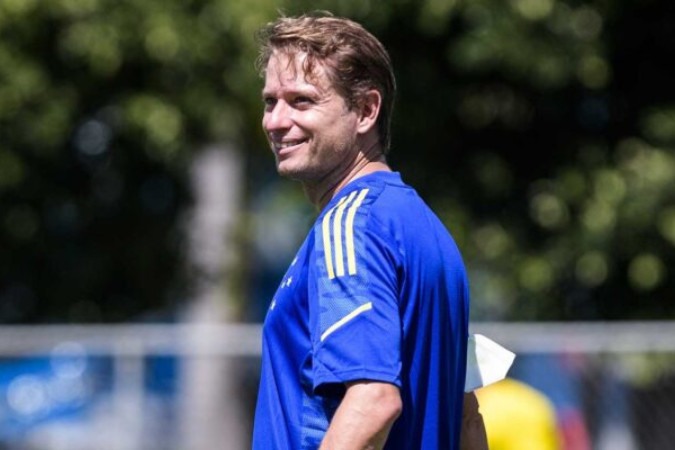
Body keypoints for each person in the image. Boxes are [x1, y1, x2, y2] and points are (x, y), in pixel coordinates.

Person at [252, 12, 483, 449]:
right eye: (270, 101)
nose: (275, 121)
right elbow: (468, 418)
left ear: (365, 110)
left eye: (301, 101)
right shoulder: (427, 230)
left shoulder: (351, 224)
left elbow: (374, 401)